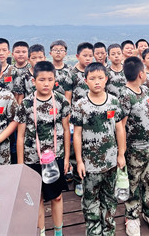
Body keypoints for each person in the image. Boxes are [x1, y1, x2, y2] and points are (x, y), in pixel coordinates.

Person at [16, 61, 70, 236]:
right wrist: (21, 165)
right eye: (41, 80)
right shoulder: (26, 103)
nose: (46, 83)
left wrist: (67, 158)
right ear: (34, 81)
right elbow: (20, 136)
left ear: (55, 80)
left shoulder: (61, 100)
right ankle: (41, 232)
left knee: (57, 196)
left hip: (56, 156)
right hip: (32, 157)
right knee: (37, 197)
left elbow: (66, 130)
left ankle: (58, 232)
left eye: (50, 79)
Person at [72, 62, 125, 236]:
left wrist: (121, 154)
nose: (97, 82)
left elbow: (119, 129)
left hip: (111, 161)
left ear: (106, 79)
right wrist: (79, 161)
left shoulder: (113, 102)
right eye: (92, 78)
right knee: (90, 201)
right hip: (89, 164)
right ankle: (94, 231)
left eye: (100, 78)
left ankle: (108, 230)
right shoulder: (80, 105)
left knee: (110, 199)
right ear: (85, 81)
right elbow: (77, 134)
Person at [119, 56, 149, 236]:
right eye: (144, 71)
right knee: (133, 183)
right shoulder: (125, 95)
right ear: (141, 74)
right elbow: (121, 126)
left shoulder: (145, 90)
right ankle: (131, 216)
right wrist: (122, 152)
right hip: (133, 149)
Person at [64, 42, 94, 196]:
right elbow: (68, 97)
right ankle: (78, 180)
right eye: (85, 55)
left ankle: (90, 178)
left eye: (90, 56)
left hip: (92, 116)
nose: (88, 58)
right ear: (77, 56)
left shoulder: (93, 71)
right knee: (77, 149)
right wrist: (69, 117)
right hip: (77, 116)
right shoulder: (72, 73)